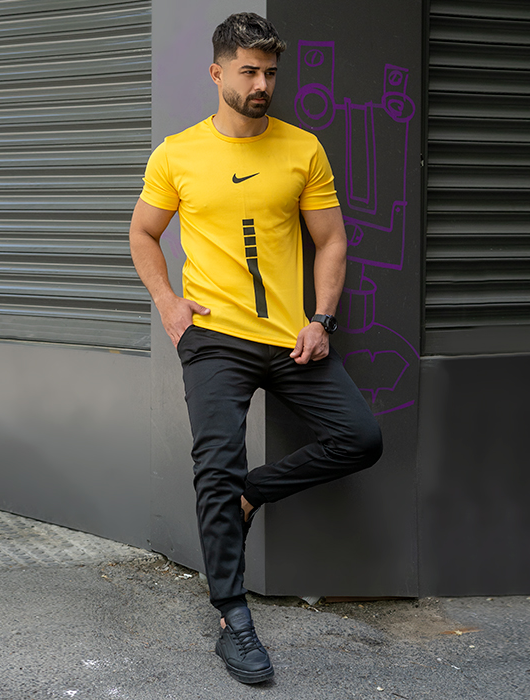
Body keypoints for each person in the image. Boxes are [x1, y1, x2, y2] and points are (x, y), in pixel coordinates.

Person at [129, 12, 383, 685]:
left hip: (290, 338)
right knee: (214, 464)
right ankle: (232, 618)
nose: (261, 83)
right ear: (218, 73)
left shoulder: (303, 148)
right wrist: (169, 303)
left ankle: (252, 493)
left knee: (360, 439)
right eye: (248, 71)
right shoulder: (178, 154)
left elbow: (332, 239)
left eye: (270, 72)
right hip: (214, 338)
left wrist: (321, 319)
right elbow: (143, 233)